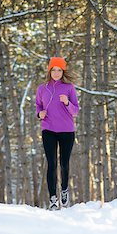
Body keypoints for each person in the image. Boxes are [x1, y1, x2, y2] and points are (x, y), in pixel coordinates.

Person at [36, 57, 80, 210]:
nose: (56, 73)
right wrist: (39, 114)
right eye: (53, 70)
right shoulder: (42, 88)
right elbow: (38, 106)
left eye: (59, 70)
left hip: (67, 131)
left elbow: (76, 111)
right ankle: (53, 199)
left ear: (63, 71)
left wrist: (67, 103)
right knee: (52, 164)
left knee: (64, 164)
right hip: (48, 129)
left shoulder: (69, 88)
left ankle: (64, 191)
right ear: (49, 71)